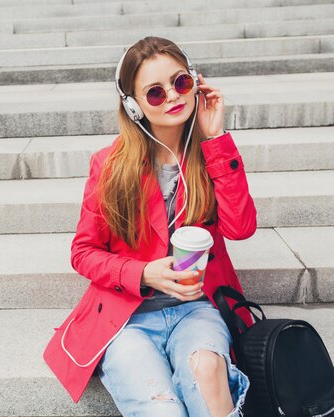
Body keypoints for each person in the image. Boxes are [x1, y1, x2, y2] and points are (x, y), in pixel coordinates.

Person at [43, 36, 257, 417]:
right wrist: (142, 272)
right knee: (163, 410)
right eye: (155, 93)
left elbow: (241, 228)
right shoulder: (110, 165)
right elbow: (83, 252)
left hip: (197, 309)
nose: (173, 97)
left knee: (209, 372)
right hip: (128, 315)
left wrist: (217, 139)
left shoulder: (211, 155)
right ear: (134, 105)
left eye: (180, 83)